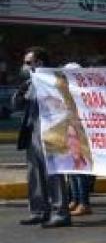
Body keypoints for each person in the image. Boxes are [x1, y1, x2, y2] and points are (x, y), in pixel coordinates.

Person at [13, 48, 71, 228]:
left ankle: (60, 212)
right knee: (35, 174)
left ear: (40, 63)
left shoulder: (54, 80)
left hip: (50, 132)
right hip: (32, 133)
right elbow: (16, 105)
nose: (26, 66)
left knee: (53, 173)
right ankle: (39, 211)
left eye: (30, 62)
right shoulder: (30, 82)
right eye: (26, 63)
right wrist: (20, 92)